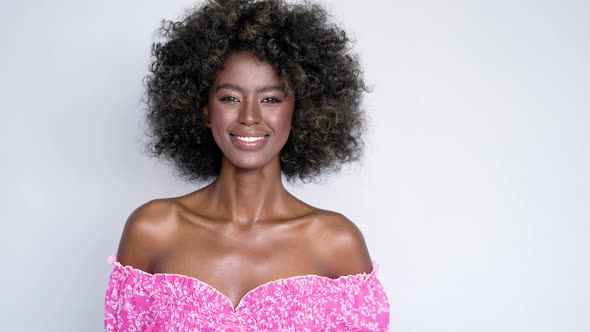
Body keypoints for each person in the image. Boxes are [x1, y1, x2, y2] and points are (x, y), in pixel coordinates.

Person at [104, 0, 390, 330]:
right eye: (230, 98)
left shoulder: (336, 243)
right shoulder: (153, 231)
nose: (250, 116)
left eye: (271, 98)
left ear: (299, 112)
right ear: (205, 110)